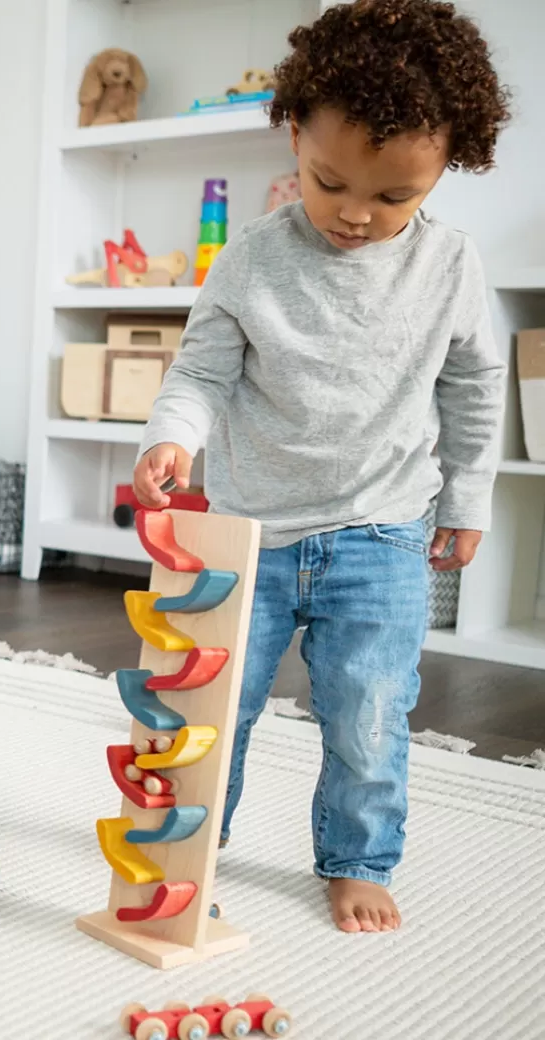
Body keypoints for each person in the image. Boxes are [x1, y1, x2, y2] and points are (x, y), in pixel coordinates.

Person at [133, 0, 511, 933]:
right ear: (293, 134)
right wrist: (168, 439)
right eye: (329, 181)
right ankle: (189, 846)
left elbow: (473, 389)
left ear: (444, 168)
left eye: (394, 199)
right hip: (248, 532)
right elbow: (201, 372)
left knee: (369, 715)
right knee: (208, 704)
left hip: (382, 530)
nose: (355, 215)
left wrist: (467, 497)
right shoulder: (251, 260)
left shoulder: (451, 266)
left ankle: (356, 858)